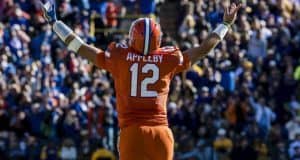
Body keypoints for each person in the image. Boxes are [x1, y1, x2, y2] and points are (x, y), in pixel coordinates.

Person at [40, 1, 241, 159]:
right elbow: (205, 48)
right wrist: (225, 24)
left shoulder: (119, 57)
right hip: (161, 132)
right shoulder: (168, 58)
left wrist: (55, 23)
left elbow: (81, 47)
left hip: (132, 133)